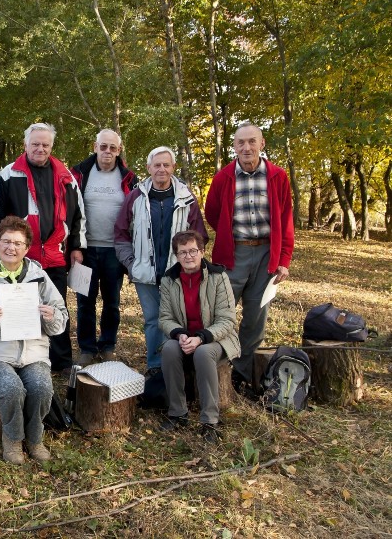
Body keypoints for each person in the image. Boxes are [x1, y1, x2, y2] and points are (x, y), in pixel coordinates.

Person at [0, 216, 68, 464]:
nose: (11, 248)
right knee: (11, 389)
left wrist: (51, 316)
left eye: (18, 243)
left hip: (33, 352)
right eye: (6, 241)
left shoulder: (40, 278)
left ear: (27, 248)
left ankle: (35, 438)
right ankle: (13, 438)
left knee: (41, 387)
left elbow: (61, 317)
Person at [205, 123, 294, 389]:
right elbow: (212, 213)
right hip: (234, 253)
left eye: (251, 142)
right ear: (234, 146)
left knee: (256, 317)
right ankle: (218, 369)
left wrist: (284, 260)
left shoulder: (278, 177)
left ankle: (241, 376)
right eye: (241, 142)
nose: (246, 147)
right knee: (223, 315)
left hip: (267, 254)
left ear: (262, 144)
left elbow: (286, 220)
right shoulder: (223, 178)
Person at [0, 122, 85, 374]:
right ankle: (25, 360)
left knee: (56, 308)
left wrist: (77, 246)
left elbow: (78, 215)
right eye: (35, 144)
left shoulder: (66, 175)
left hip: (56, 254)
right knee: (20, 308)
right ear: (25, 145)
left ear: (51, 146)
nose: (40, 148)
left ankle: (62, 361)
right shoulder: (9, 174)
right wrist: (4, 250)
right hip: (22, 255)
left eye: (45, 144)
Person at [114, 146, 207, 375]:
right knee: (153, 320)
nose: (161, 169)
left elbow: (199, 236)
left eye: (166, 164)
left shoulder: (186, 198)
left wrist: (191, 262)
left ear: (173, 167)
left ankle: (181, 366)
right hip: (145, 272)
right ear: (148, 168)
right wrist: (131, 263)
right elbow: (120, 233)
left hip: (177, 272)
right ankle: (156, 367)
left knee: (179, 318)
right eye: (157, 165)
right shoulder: (135, 197)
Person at [158, 230, 240, 443]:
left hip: (217, 340)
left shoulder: (218, 277)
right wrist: (180, 334)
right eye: (182, 252)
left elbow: (228, 320)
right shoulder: (169, 279)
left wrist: (202, 337)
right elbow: (165, 318)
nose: (188, 256)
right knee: (168, 349)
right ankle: (178, 413)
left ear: (202, 252)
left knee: (203, 353)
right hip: (185, 339)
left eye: (193, 251)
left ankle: (209, 421)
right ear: (176, 256)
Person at [70, 129, 138, 366]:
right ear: (95, 146)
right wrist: (74, 246)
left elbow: (135, 216)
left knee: (112, 302)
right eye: (103, 146)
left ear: (119, 150)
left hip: (114, 251)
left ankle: (108, 345)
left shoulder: (129, 178)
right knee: (84, 301)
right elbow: (69, 212)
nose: (107, 151)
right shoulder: (79, 174)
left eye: (113, 147)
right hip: (85, 249)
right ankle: (87, 348)